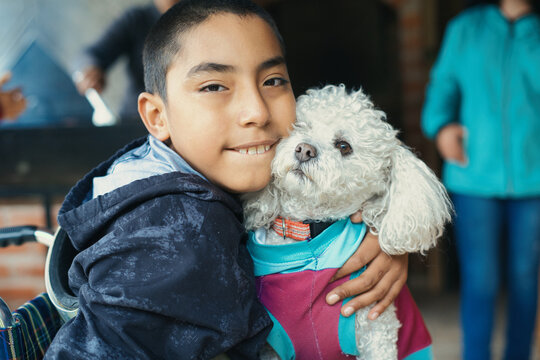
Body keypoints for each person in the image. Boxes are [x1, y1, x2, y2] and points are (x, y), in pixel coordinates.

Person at [45, 1, 408, 358]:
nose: (257, 111)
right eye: (215, 86)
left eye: (273, 80)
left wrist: (382, 236)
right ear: (157, 116)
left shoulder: (162, 167)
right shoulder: (181, 234)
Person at [421, 0, 540, 359]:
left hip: (534, 179)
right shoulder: (465, 28)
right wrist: (441, 127)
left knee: (525, 278)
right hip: (472, 175)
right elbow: (442, 88)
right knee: (481, 280)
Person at [73, 0, 180, 120]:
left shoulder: (201, 16)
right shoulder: (136, 19)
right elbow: (91, 54)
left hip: (182, 117)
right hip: (136, 118)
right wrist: (90, 68)